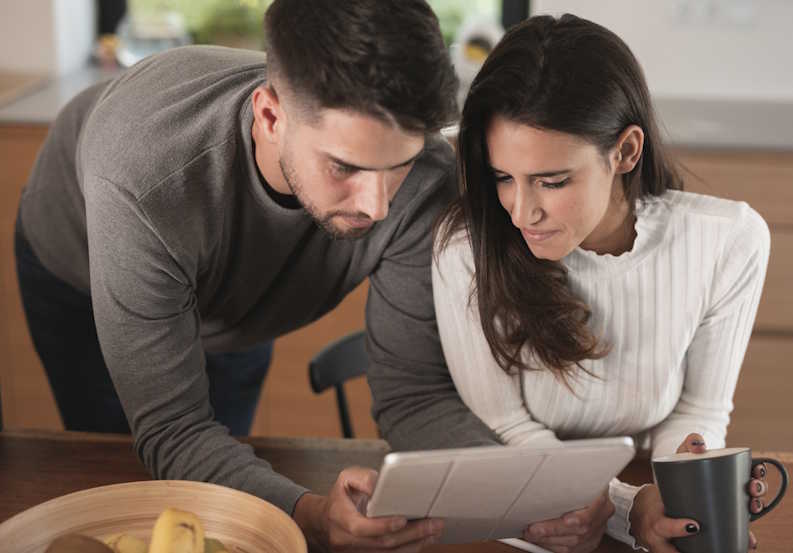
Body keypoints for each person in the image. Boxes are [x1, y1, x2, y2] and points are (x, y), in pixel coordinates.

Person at [14, 1, 466, 550]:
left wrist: (529, 494)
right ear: (270, 117)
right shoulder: (147, 169)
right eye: (344, 167)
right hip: (81, 261)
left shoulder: (427, 176)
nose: (375, 207)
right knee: (120, 480)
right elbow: (174, 432)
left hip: (236, 283)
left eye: (398, 165)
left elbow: (414, 394)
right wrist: (316, 514)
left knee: (227, 494)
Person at [423, 14, 771, 553]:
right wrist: (629, 509)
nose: (520, 211)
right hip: (529, 509)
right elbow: (503, 425)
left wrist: (685, 499)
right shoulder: (467, 249)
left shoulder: (729, 241)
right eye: (502, 178)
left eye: (552, 181)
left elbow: (697, 411)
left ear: (626, 152)